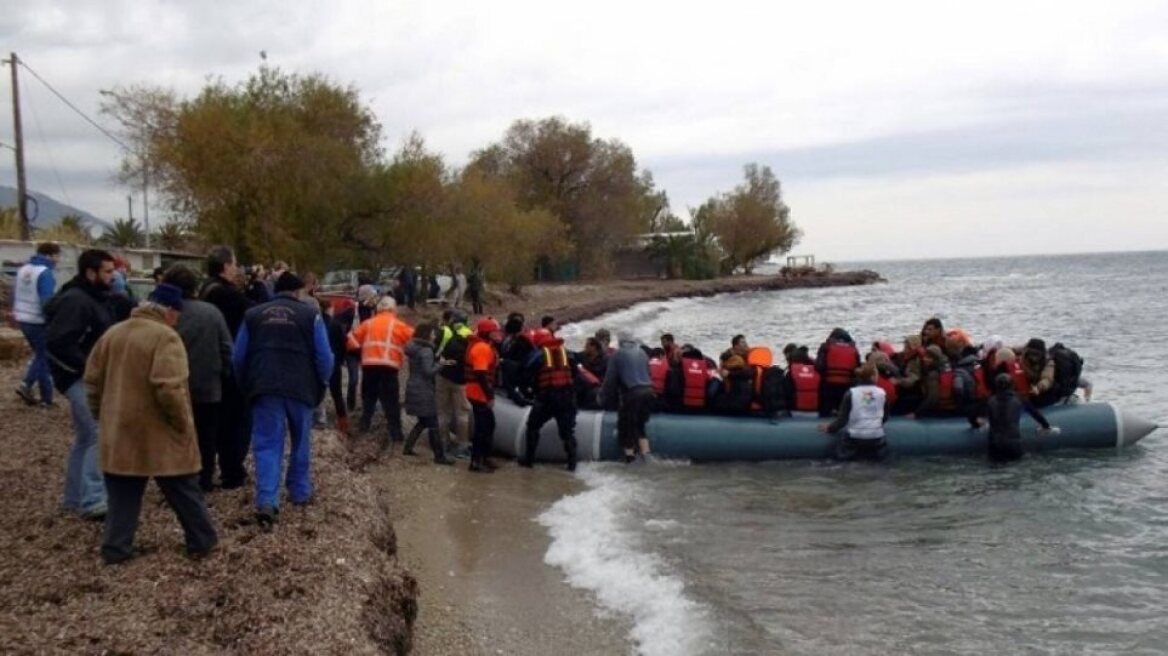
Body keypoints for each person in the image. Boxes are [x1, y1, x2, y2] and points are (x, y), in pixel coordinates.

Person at [84, 283, 218, 564]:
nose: (178, 319)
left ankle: (116, 548)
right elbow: (169, 388)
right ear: (169, 311)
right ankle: (202, 540)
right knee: (183, 490)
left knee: (123, 494)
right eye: (177, 314)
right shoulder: (166, 338)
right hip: (157, 431)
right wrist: (182, 424)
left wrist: (101, 415)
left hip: (120, 429)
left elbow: (93, 381)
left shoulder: (113, 334)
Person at [233, 272, 333, 530]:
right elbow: (325, 357)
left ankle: (267, 500)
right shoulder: (311, 315)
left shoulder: (254, 315)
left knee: (267, 444)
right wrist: (322, 382)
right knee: (300, 440)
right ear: (299, 292)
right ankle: (299, 491)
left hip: (265, 387)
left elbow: (238, 357)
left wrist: (246, 383)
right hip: (301, 388)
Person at [45, 248, 118, 520]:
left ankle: (74, 497)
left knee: (86, 436)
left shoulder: (95, 298)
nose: (114, 276)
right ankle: (94, 499)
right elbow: (58, 341)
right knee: (98, 432)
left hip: (82, 375)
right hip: (79, 377)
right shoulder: (77, 301)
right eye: (108, 272)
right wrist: (91, 366)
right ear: (91, 272)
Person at [164, 265, 233, 492]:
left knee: (175, 434)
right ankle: (204, 479)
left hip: (171, 385)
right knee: (207, 435)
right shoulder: (211, 313)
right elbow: (226, 348)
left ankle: (176, 479)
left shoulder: (165, 314)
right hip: (209, 385)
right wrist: (225, 372)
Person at [198, 246, 254, 489]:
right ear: (225, 267)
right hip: (229, 366)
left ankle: (209, 472)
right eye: (234, 264)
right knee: (237, 421)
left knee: (212, 424)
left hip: (207, 364)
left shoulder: (205, 290)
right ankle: (232, 471)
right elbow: (252, 311)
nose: (237, 269)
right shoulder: (226, 295)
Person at [348, 296, 414, 452]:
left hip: (369, 367)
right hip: (389, 368)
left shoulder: (368, 323)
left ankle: (364, 426)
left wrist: (360, 353)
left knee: (369, 399)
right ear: (393, 309)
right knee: (391, 402)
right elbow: (415, 340)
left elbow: (351, 340)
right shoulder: (398, 325)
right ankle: (396, 434)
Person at [519, 329, 579, 471]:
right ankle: (572, 465)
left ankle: (529, 461)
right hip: (567, 397)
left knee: (533, 426)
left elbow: (526, 375)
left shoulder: (539, 355)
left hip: (547, 398)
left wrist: (527, 391)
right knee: (567, 433)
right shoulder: (567, 353)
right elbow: (575, 372)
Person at [13, 242, 61, 407]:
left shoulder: (23, 270)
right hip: (38, 321)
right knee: (44, 358)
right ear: (50, 255)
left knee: (40, 356)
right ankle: (45, 398)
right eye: (57, 256)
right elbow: (47, 301)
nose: (58, 260)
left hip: (23, 318)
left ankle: (28, 385)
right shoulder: (44, 273)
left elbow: (16, 294)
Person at [403, 322, 455, 464]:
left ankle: (407, 447)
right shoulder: (427, 351)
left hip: (413, 385)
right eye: (433, 333)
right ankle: (439, 456)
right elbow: (428, 372)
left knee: (423, 421)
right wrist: (442, 365)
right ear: (426, 334)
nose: (434, 335)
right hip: (423, 389)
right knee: (432, 422)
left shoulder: (413, 348)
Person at [601, 331, 655, 463]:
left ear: (620, 342)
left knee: (625, 426)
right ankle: (646, 456)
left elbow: (610, 381)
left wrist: (602, 399)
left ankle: (630, 459)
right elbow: (649, 373)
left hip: (632, 393)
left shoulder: (617, 355)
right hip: (649, 392)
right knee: (640, 425)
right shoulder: (642, 353)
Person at [818, 364, 891, 461]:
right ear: (872, 377)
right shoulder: (882, 393)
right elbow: (885, 417)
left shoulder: (851, 393)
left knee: (842, 460)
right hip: (876, 436)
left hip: (854, 436)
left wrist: (830, 428)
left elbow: (842, 420)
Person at [984, 373, 1058, 462]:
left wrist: (976, 424)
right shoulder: (1019, 398)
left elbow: (977, 416)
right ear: (1011, 385)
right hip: (1012, 444)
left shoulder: (990, 401)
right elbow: (1035, 414)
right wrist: (1046, 426)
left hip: (994, 445)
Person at [466, 317, 503, 473]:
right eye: (495, 331)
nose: (498, 334)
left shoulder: (485, 346)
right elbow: (480, 374)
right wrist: (490, 396)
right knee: (482, 428)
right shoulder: (482, 348)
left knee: (489, 425)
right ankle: (476, 462)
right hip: (478, 392)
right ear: (487, 332)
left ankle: (485, 457)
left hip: (478, 391)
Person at [435, 309, 473, 457]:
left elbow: (436, 352)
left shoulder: (444, 331)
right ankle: (462, 446)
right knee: (462, 414)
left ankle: (443, 443)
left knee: (442, 412)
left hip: (442, 375)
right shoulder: (470, 334)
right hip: (461, 380)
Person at [319, 299, 351, 436]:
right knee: (337, 394)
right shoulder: (336, 324)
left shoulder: (316, 324)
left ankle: (319, 420)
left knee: (318, 393)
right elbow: (344, 344)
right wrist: (342, 359)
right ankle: (343, 423)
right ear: (329, 309)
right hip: (334, 362)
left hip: (318, 363)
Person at [815, 328, 861, 417]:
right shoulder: (853, 349)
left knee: (826, 411)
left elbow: (819, 366)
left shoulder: (826, 347)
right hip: (847, 385)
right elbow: (857, 368)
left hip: (829, 384)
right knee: (845, 411)